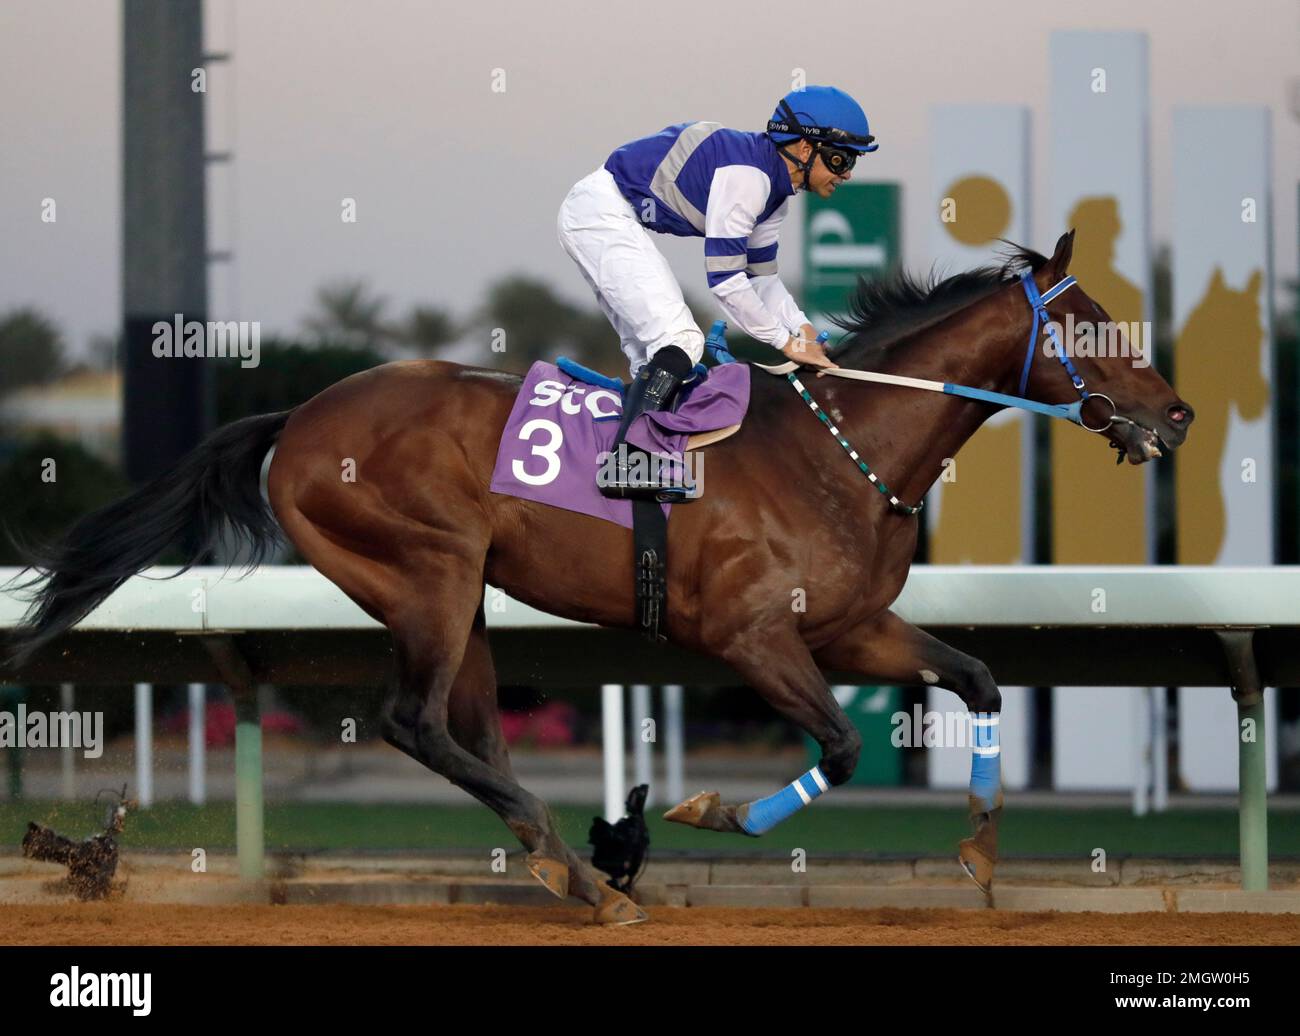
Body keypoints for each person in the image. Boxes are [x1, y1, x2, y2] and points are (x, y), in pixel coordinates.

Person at [557, 85, 879, 500]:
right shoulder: (748, 178)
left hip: (606, 212)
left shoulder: (774, 193)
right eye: (841, 157)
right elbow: (726, 283)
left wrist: (802, 329)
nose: (848, 172)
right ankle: (627, 464)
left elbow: (762, 278)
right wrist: (785, 343)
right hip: (599, 212)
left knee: (656, 359)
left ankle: (640, 464)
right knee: (681, 341)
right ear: (803, 148)